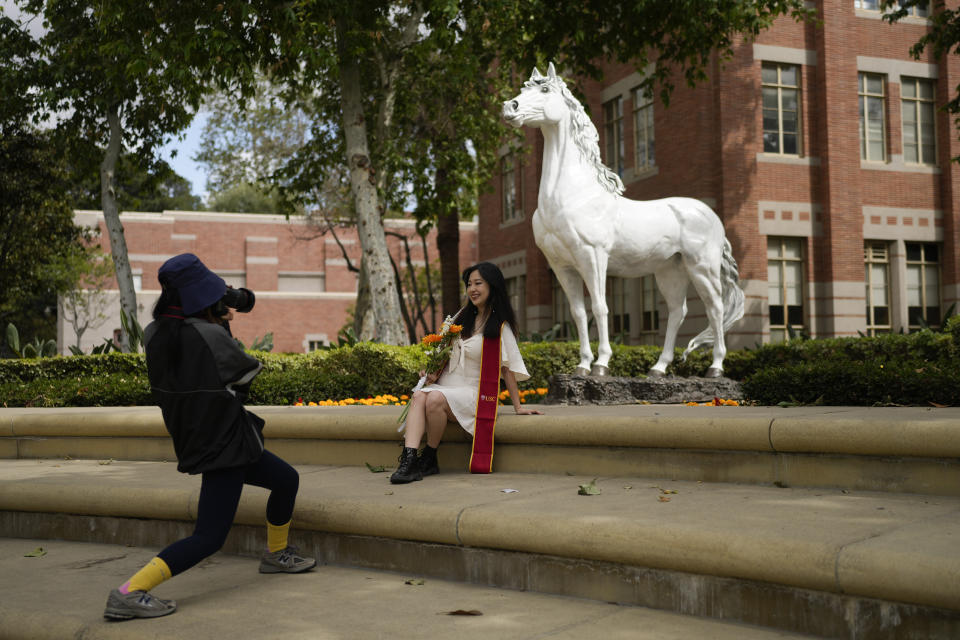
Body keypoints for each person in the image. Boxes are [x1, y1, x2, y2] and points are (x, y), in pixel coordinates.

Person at [103, 253, 315, 621]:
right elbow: (244, 373)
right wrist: (222, 323)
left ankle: (276, 555)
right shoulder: (210, 333)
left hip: (202, 436)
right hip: (225, 446)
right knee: (209, 537)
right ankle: (129, 591)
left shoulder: (155, 334)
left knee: (285, 479)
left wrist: (214, 318)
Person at [391, 261, 542, 484]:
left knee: (433, 397)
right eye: (469, 284)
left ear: (492, 286)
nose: (472, 289)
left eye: (478, 283)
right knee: (419, 395)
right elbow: (444, 356)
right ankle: (410, 460)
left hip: (474, 393)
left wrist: (518, 407)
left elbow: (507, 369)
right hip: (446, 387)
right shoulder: (461, 317)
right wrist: (431, 374)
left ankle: (430, 456)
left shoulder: (500, 326)